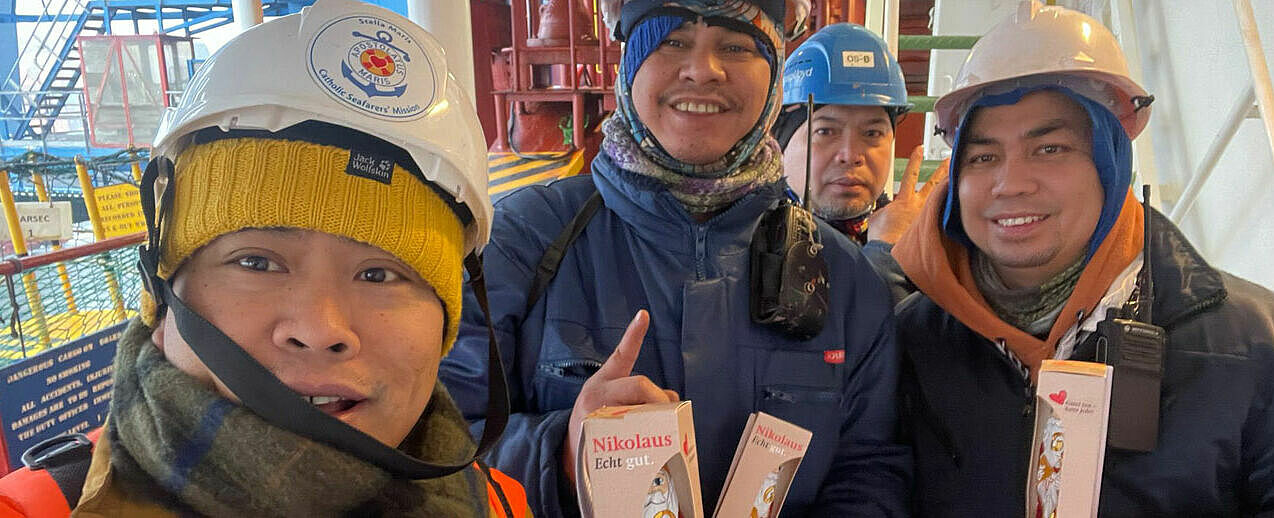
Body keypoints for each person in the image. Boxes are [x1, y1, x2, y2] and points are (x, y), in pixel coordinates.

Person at [0, 0, 530, 516]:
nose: (321, 329)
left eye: (379, 274)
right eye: (256, 262)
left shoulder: (501, 504)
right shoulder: (33, 509)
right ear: (161, 292)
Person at [439, 0, 909, 516]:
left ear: (774, 74)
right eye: (672, 41)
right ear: (630, 63)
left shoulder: (844, 278)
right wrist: (560, 456)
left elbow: (869, 469)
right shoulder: (523, 242)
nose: (703, 70)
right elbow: (439, 445)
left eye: (735, 45)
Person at [892, 1, 1274, 515]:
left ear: (1111, 159)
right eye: (983, 156)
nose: (1011, 184)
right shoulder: (907, 344)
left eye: (1050, 149)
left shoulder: (1251, 347)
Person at [773, 23, 947, 303]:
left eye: (872, 133)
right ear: (779, 143)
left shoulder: (921, 244)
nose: (851, 154)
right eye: (825, 131)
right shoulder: (746, 243)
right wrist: (885, 257)